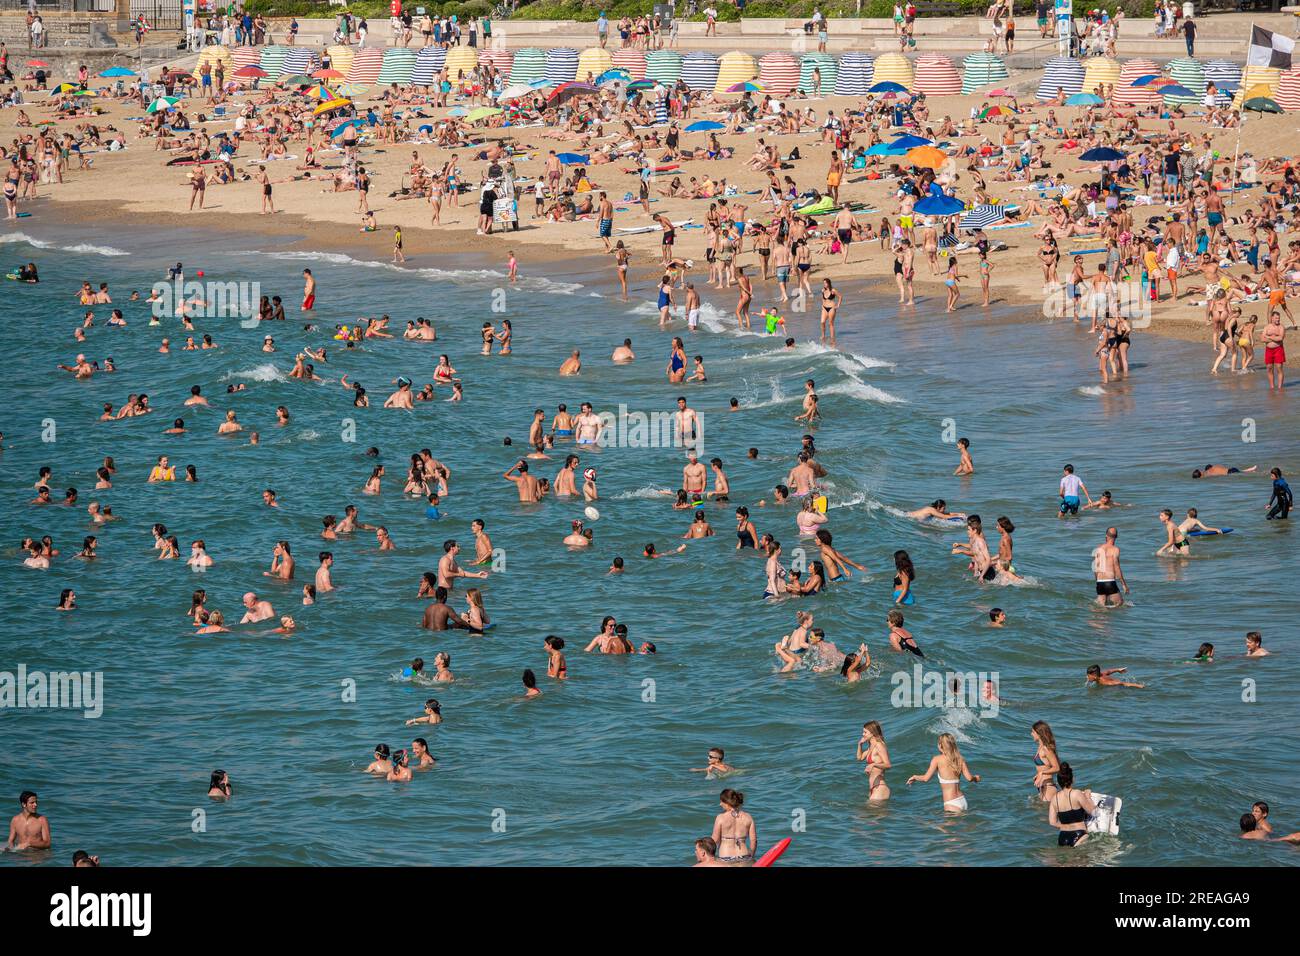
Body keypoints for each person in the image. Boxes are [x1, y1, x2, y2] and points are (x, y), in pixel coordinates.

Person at [907, 733, 980, 813]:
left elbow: (925, 778)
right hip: (962, 800)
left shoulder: (937, 759)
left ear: (940, 745)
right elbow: (969, 778)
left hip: (951, 803)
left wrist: (914, 777)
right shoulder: (960, 759)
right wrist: (975, 778)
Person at [1048, 764, 1096, 847]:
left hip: (1062, 837)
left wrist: (1067, 826)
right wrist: (1088, 797)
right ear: (1072, 779)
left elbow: (1052, 822)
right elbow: (1092, 811)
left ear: (1059, 782)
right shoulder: (1077, 793)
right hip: (1079, 835)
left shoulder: (1054, 799)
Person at [710, 789, 756, 865]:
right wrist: (752, 856)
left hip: (726, 857)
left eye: (722, 801)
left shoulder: (720, 817)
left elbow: (715, 839)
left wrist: (709, 858)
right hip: (744, 856)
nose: (720, 804)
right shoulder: (748, 817)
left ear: (727, 802)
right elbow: (753, 840)